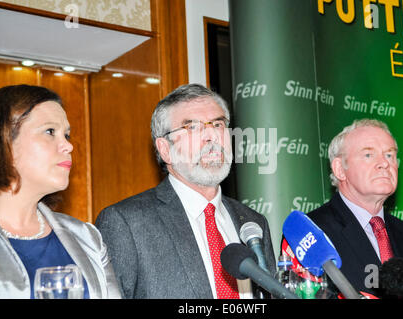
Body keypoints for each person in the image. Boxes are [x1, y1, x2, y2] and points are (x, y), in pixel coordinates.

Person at [95, 83, 276, 299]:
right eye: (193, 127)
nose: (212, 137)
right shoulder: (126, 223)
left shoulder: (253, 223)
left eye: (218, 124)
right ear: (165, 150)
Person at [0, 84, 121, 299]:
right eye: (50, 131)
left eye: (67, 135)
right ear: (5, 140)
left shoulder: (87, 237)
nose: (68, 146)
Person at [304, 119, 403, 296]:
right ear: (340, 169)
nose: (385, 163)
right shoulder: (312, 232)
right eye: (368, 155)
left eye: (389, 155)